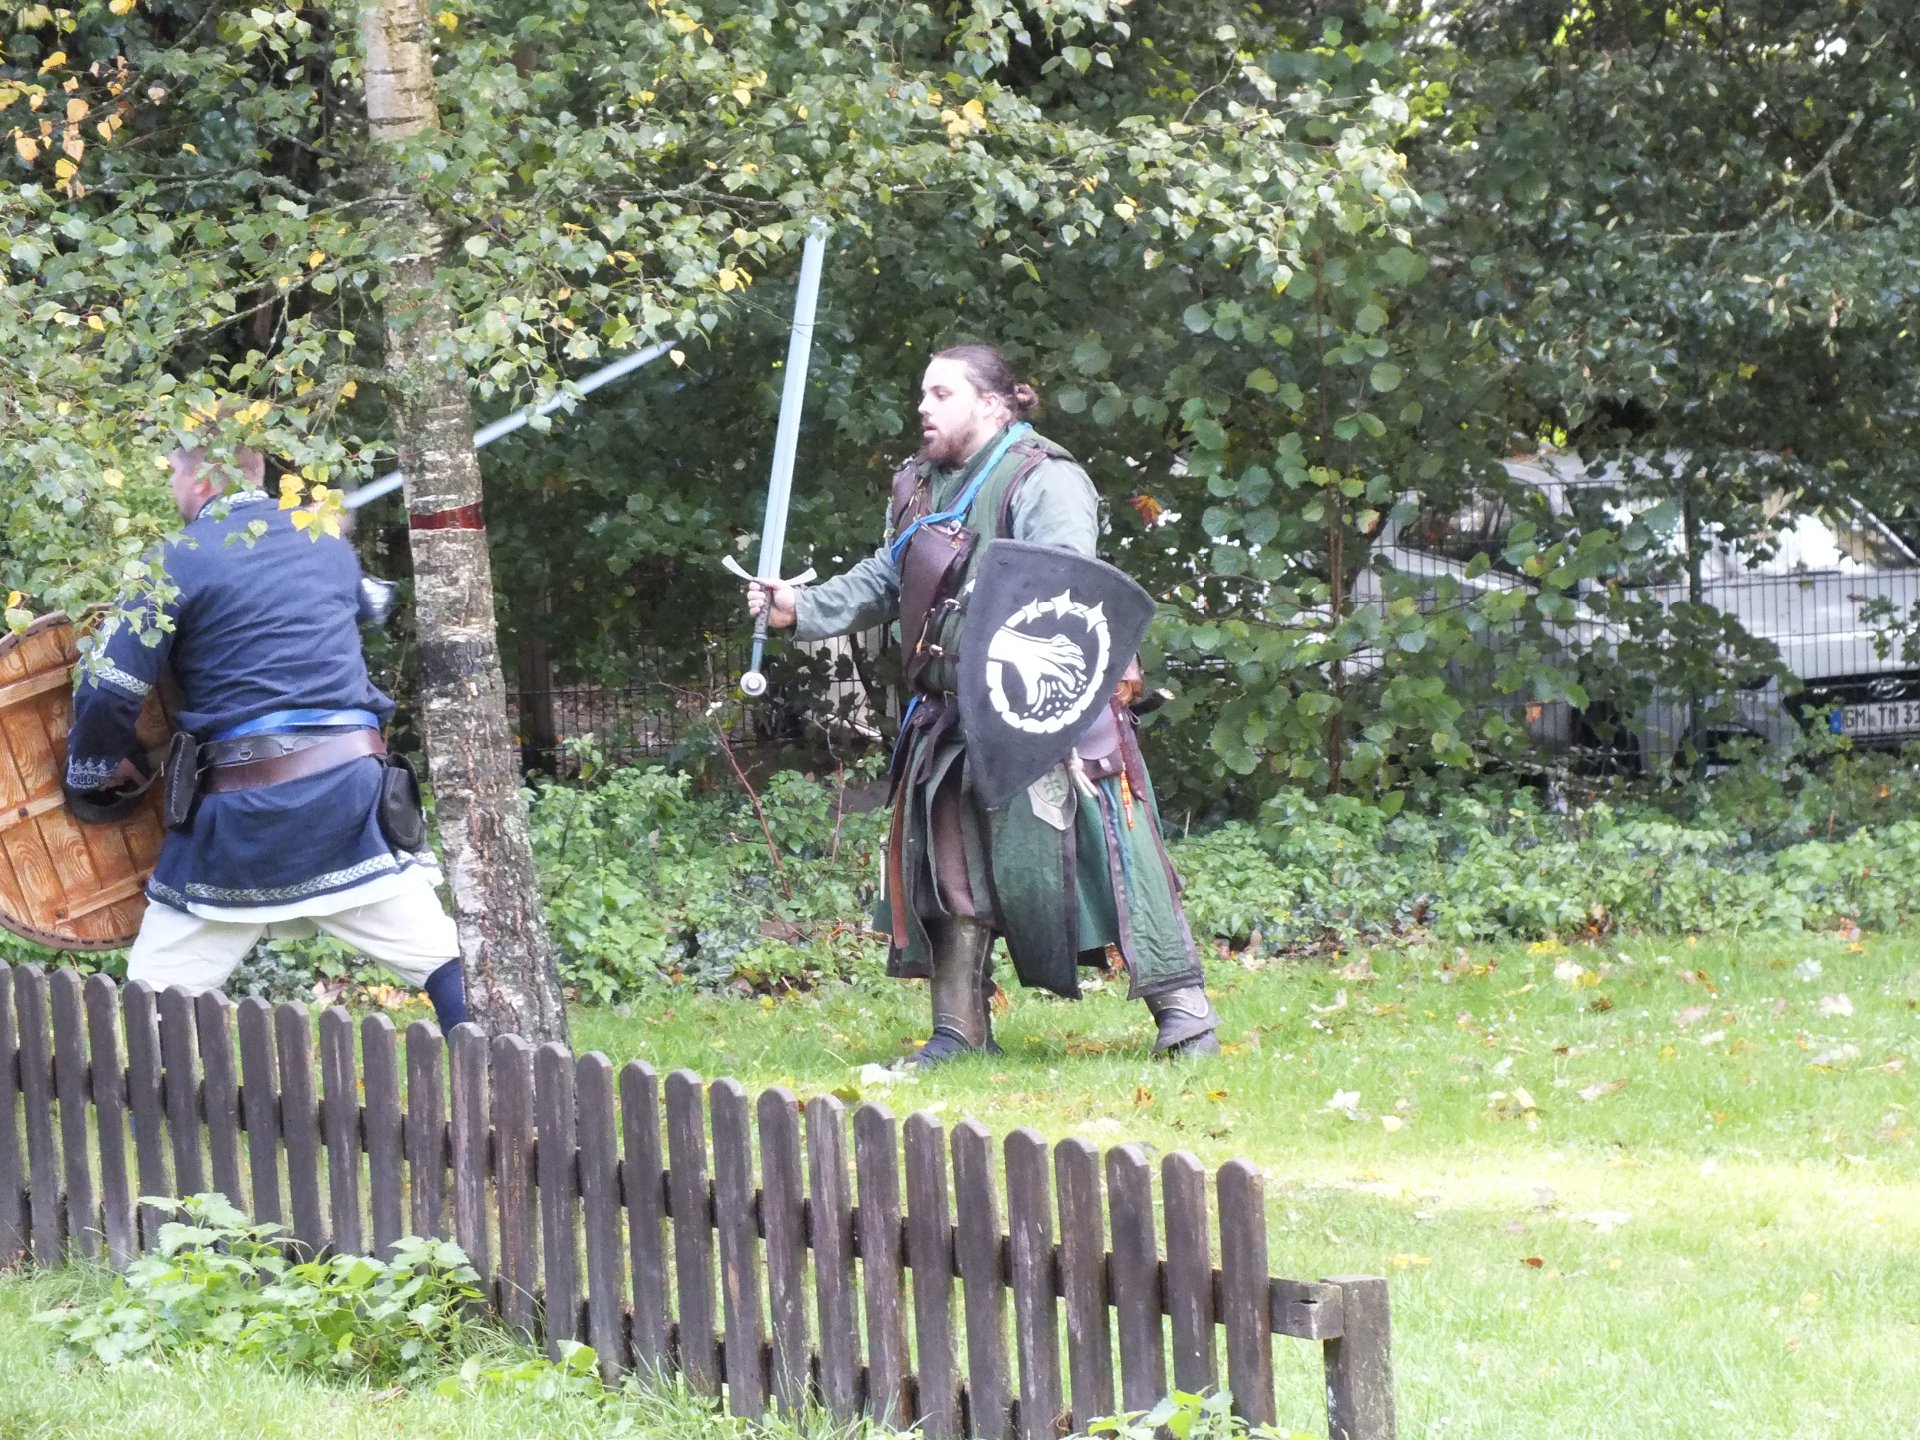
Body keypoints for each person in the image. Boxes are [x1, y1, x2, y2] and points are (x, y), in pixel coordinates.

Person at [747, 343, 1219, 1063]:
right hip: (948, 714)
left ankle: (1185, 1017)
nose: (923, 407)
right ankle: (960, 1031)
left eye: (942, 394)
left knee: (1111, 858)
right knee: (948, 868)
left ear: (993, 404)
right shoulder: (919, 484)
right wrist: (799, 607)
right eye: (923, 394)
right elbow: (889, 576)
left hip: (1044, 710)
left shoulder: (1043, 477)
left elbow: (1064, 587)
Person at [61, 425, 470, 1031]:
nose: (173, 489)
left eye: (174, 475)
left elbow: (108, 687)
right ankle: (513, 1080)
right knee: (443, 960)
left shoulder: (175, 558)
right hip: (352, 797)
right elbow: (375, 606)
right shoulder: (322, 539)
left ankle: (162, 1096)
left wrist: (90, 775)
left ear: (201, 478)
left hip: (244, 820)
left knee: (155, 997)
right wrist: (332, 546)